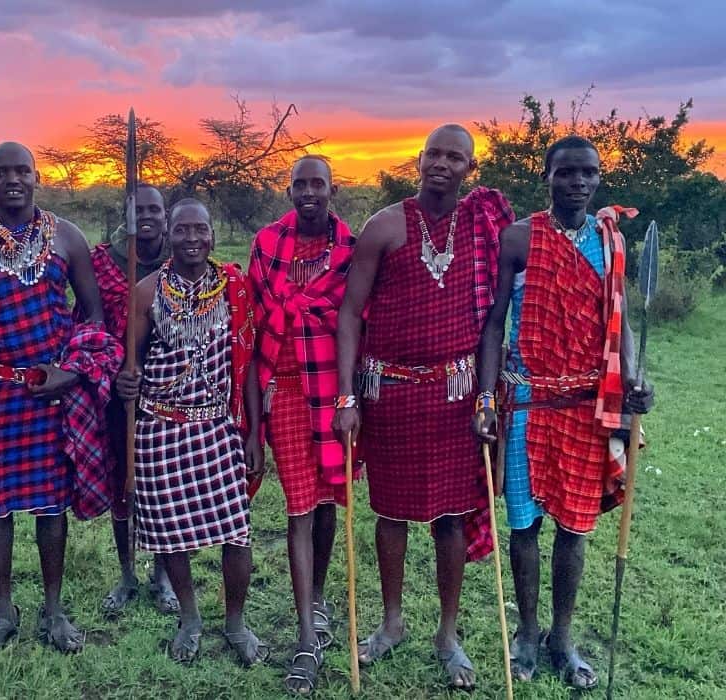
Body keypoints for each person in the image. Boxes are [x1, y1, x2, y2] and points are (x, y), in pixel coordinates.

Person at [333, 125, 515, 689]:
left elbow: (492, 326)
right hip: (389, 395)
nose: (441, 163)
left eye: (454, 156)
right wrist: (346, 397)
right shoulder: (384, 225)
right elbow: (349, 314)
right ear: (418, 159)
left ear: (469, 168)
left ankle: (447, 632)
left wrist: (487, 397)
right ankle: (391, 623)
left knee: (451, 517)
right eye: (434, 153)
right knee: (390, 513)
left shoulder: (485, 231)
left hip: (457, 396)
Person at [473, 135, 654, 689]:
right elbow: (494, 323)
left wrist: (634, 383)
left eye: (589, 173)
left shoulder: (610, 241)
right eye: (567, 172)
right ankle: (526, 633)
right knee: (524, 526)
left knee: (574, 529)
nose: (579, 182)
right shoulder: (519, 239)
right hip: (529, 403)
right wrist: (484, 399)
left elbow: (616, 324)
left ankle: (563, 636)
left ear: (599, 178)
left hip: (587, 408)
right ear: (547, 175)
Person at [0, 142, 119, 655]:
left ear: (38, 176)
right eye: (0, 172)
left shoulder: (68, 239)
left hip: (48, 391)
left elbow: (94, 318)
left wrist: (72, 371)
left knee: (50, 504)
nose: (11, 179)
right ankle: (2, 609)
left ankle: (54, 609)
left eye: (21, 171)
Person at [116, 198, 268, 666]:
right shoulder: (145, 292)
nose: (192, 239)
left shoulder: (235, 289)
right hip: (160, 428)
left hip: (219, 425)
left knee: (236, 533)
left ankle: (236, 623)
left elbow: (249, 370)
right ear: (169, 235)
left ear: (213, 234)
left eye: (200, 230)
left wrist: (254, 433)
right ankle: (190, 618)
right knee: (171, 535)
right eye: (182, 230)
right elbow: (130, 363)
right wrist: (125, 380)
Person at [246, 155, 355, 693]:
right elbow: (253, 318)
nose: (309, 192)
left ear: (333, 190)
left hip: (334, 392)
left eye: (318, 183)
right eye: (300, 184)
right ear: (288, 191)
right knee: (298, 510)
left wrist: (353, 397)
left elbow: (358, 321)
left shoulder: (350, 250)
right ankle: (307, 637)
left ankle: (318, 596)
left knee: (328, 498)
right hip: (284, 390)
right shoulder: (266, 245)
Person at [84, 184, 178, 616]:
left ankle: (164, 575)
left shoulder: (181, 262)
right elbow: (90, 323)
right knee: (123, 480)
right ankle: (126, 573)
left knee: (164, 482)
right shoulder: (103, 262)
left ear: (165, 217)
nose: (147, 217)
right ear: (125, 214)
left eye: (155, 210)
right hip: (118, 390)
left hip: (173, 391)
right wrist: (115, 368)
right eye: (138, 209)